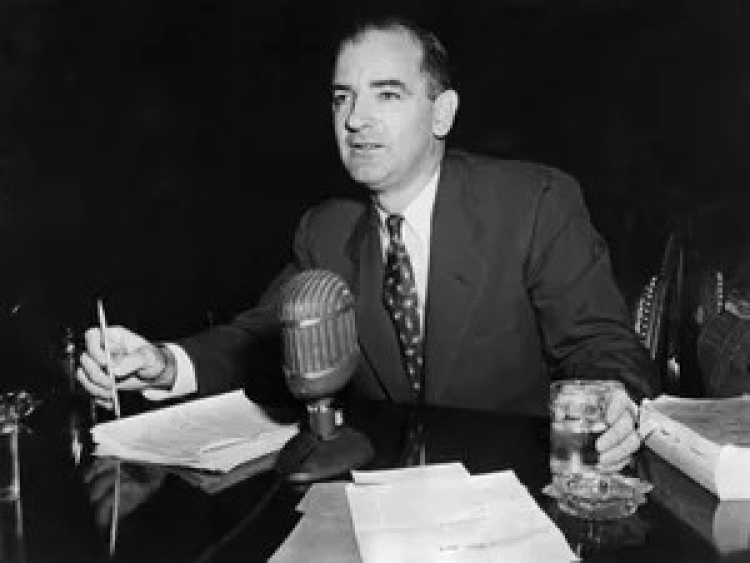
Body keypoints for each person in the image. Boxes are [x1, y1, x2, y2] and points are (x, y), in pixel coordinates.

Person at [78, 16, 659, 471]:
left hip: (515, 493)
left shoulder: (534, 203)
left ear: (442, 113)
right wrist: (164, 364)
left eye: (387, 94)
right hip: (377, 500)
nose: (355, 119)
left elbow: (602, 345)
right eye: (342, 97)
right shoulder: (326, 230)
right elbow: (260, 336)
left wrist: (614, 399)